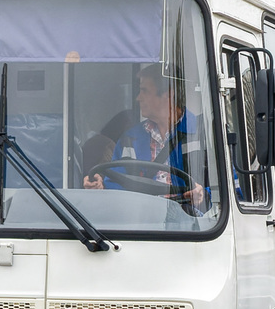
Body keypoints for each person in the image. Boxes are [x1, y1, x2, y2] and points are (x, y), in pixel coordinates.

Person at [83, 63, 206, 208]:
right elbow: (116, 185)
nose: (138, 98)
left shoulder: (203, 134)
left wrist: (204, 194)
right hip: (142, 220)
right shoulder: (129, 138)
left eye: (144, 91)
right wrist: (100, 186)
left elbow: (232, 186)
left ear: (168, 94)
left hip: (192, 224)